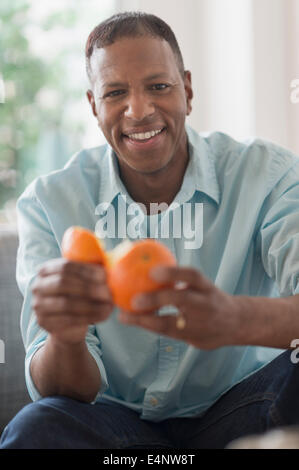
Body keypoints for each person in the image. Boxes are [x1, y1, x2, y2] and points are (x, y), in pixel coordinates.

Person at [1, 11, 299, 450]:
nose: (138, 110)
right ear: (93, 106)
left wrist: (234, 319)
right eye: (116, 92)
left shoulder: (267, 175)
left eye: (159, 86)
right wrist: (67, 335)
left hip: (245, 410)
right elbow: (66, 392)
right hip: (115, 428)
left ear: (188, 90)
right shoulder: (50, 203)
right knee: (37, 428)